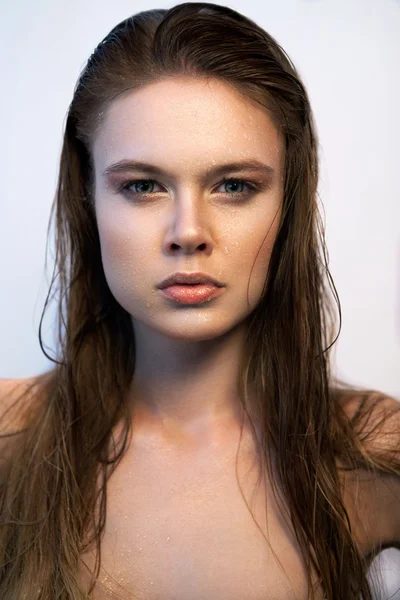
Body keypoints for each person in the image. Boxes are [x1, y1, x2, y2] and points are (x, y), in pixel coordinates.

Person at [0, 2, 399, 599]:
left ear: (288, 204)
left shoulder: (375, 452)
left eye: (234, 186)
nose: (189, 231)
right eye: (142, 186)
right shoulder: (10, 438)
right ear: (87, 200)